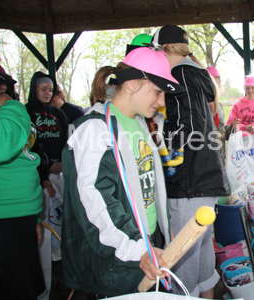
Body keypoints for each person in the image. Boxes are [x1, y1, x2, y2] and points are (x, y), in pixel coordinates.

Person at [61, 47, 185, 298]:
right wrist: (137, 250)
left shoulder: (139, 123)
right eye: (158, 91)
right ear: (131, 84)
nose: (161, 102)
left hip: (146, 244)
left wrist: (161, 230)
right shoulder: (94, 131)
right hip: (118, 256)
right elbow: (96, 203)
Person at [152, 25, 230, 298]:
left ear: (165, 51)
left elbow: (189, 130)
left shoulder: (178, 75)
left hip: (189, 178)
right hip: (206, 175)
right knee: (202, 243)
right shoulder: (196, 73)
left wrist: (160, 136)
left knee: (181, 250)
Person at [0, 72, 46, 299]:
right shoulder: (8, 108)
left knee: (24, 290)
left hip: (18, 212)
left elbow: (26, 152)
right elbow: (2, 147)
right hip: (2, 214)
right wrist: (13, 107)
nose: (1, 90)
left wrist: (33, 217)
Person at [25, 72, 69, 176]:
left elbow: (67, 137)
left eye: (50, 90)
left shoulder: (58, 113)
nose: (48, 93)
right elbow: (27, 144)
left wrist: (62, 161)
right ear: (34, 89)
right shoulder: (25, 112)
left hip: (59, 168)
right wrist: (48, 164)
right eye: (43, 89)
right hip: (34, 170)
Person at [206, 66, 227, 160]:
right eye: (211, 81)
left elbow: (222, 130)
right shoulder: (202, 105)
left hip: (221, 157)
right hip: (209, 158)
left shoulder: (219, 106)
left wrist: (232, 128)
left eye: (217, 82)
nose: (214, 85)